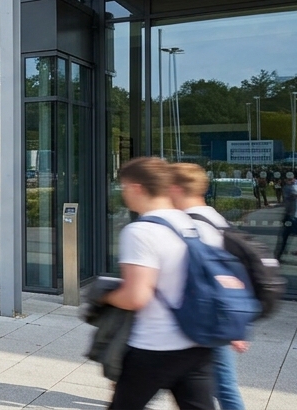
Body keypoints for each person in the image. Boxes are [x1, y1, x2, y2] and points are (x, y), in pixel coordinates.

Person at [101, 157, 214, 410]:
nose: (123, 193)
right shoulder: (194, 224)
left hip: (154, 345)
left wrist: (104, 297)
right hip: (197, 341)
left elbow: (136, 297)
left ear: (136, 188)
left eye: (124, 186)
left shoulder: (141, 231)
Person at [169, 163, 248, 410]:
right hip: (213, 315)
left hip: (206, 316)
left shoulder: (195, 225)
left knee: (222, 386)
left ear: (176, 189)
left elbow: (212, 276)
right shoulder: (213, 217)